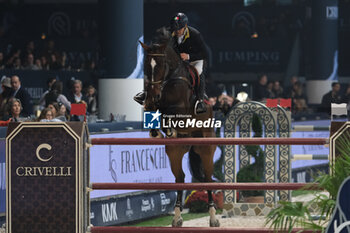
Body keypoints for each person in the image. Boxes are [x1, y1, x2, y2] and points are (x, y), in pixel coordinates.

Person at [134, 12, 209, 114]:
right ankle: (147, 93)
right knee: (159, 69)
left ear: (185, 26)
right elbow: (158, 44)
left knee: (198, 71)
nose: (177, 31)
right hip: (176, 60)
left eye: (179, 29)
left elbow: (205, 53)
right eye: (175, 29)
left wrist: (189, 56)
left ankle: (200, 100)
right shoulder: (169, 32)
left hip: (194, 59)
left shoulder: (195, 34)